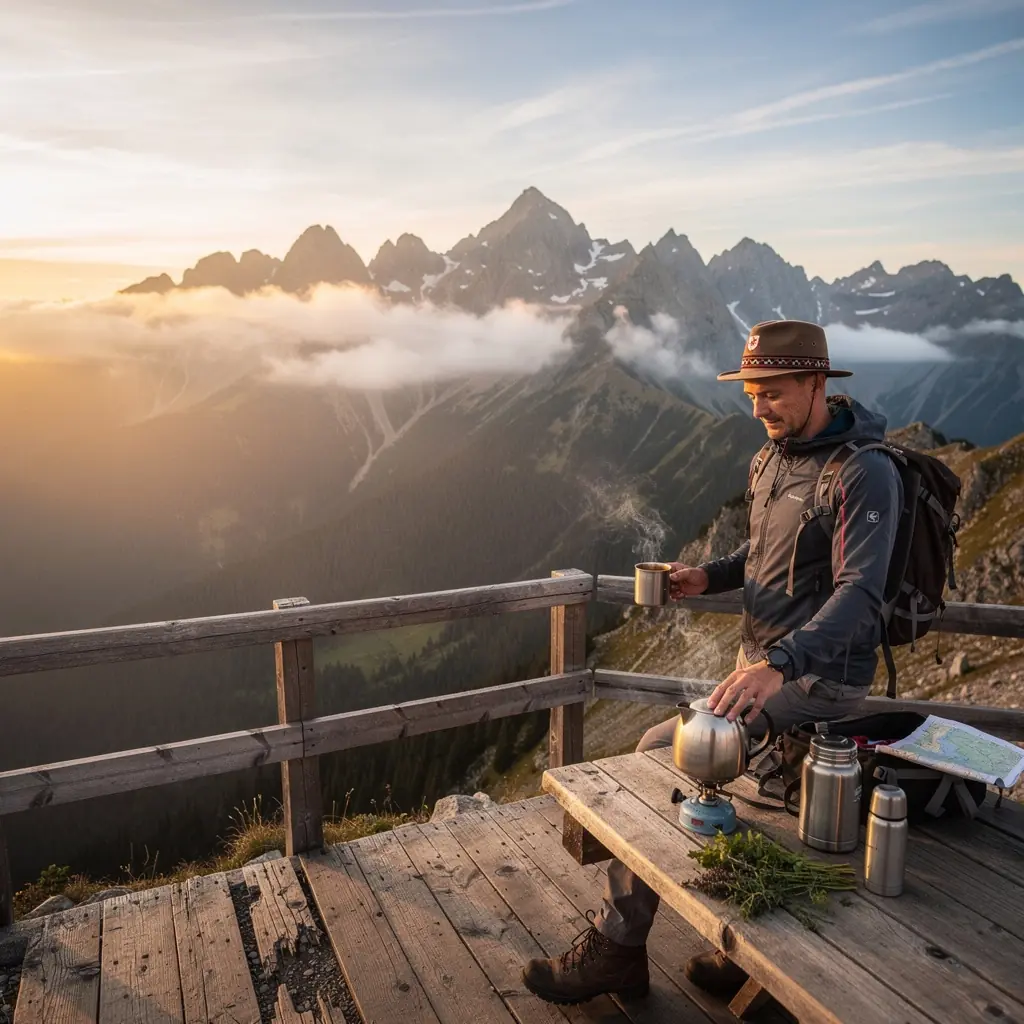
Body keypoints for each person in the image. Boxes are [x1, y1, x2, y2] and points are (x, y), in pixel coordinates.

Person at [522, 319, 903, 1005]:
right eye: (751, 392)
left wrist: (780, 664)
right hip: (760, 669)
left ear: (818, 383)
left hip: (819, 680)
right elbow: (761, 561)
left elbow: (861, 595)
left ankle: (622, 945)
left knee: (676, 755)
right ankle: (729, 938)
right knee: (693, 765)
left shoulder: (863, 472)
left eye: (773, 393)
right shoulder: (770, 460)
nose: (757, 409)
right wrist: (709, 577)